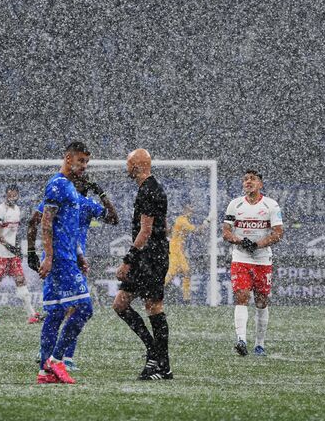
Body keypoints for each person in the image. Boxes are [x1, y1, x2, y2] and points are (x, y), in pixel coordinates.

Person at [27, 173, 118, 371]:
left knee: (58, 310)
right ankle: (62, 357)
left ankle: (48, 355)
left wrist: (33, 251)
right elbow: (114, 218)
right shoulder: (84, 202)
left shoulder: (62, 196)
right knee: (78, 308)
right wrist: (101, 192)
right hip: (69, 258)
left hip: (61, 256)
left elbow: (34, 220)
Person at [36, 141, 95, 384]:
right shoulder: (58, 185)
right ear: (68, 158)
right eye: (80, 160)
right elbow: (46, 222)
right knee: (84, 308)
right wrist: (49, 256)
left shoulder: (69, 187)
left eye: (86, 162)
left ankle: (43, 371)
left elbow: (66, 225)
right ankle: (56, 360)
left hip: (69, 256)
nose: (83, 166)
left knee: (57, 313)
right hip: (60, 259)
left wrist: (80, 253)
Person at [114, 149, 172, 380]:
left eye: (128, 163)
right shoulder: (152, 188)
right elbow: (162, 226)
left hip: (151, 258)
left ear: (137, 164)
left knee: (154, 307)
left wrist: (128, 260)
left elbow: (145, 231)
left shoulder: (149, 190)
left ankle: (161, 365)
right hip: (149, 256)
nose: (126, 167)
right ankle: (155, 353)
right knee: (120, 304)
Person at [222, 169, 284, 357]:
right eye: (245, 179)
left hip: (262, 259)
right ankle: (241, 340)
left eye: (253, 179)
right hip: (241, 257)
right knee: (241, 296)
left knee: (261, 301)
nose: (248, 182)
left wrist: (257, 244)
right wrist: (240, 241)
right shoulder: (235, 205)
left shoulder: (270, 205)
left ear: (260, 184)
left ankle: (259, 344)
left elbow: (278, 233)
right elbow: (226, 232)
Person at [0, 185, 41, 326]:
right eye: (9, 195)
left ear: (18, 195)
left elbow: (13, 233)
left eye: (14, 195)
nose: (12, 197)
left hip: (12, 255)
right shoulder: (0, 210)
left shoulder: (17, 209)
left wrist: (16, 247)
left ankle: (31, 314)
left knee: (21, 281)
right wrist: (10, 247)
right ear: (6, 195)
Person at [165, 204, 209, 304]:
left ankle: (186, 298)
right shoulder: (182, 220)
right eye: (189, 208)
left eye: (192, 209)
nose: (192, 211)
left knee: (185, 271)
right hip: (175, 248)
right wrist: (208, 221)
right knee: (175, 272)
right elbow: (197, 231)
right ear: (185, 210)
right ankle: (153, 292)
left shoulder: (182, 220)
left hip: (178, 249)